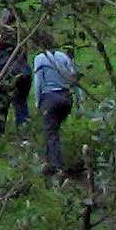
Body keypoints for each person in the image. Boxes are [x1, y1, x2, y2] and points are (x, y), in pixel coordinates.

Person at [30, 35, 80, 175]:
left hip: (50, 98)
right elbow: (73, 77)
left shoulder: (40, 59)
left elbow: (38, 82)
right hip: (66, 97)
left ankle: (56, 167)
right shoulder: (63, 57)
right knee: (53, 129)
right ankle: (49, 161)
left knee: (50, 132)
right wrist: (79, 100)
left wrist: (37, 101)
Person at [0, 9, 30, 134]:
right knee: (21, 103)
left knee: (0, 105)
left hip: (4, 71)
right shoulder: (21, 34)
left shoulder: (0, 34)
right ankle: (24, 135)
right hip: (23, 71)